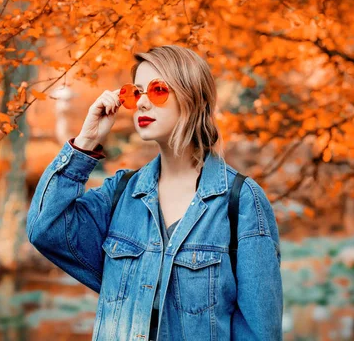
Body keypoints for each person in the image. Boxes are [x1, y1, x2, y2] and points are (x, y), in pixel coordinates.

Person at [27, 45, 283, 340]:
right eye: (135, 93)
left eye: (158, 90)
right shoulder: (120, 194)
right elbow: (44, 229)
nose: (143, 104)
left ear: (192, 98)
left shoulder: (241, 202)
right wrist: (86, 142)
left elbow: (260, 332)